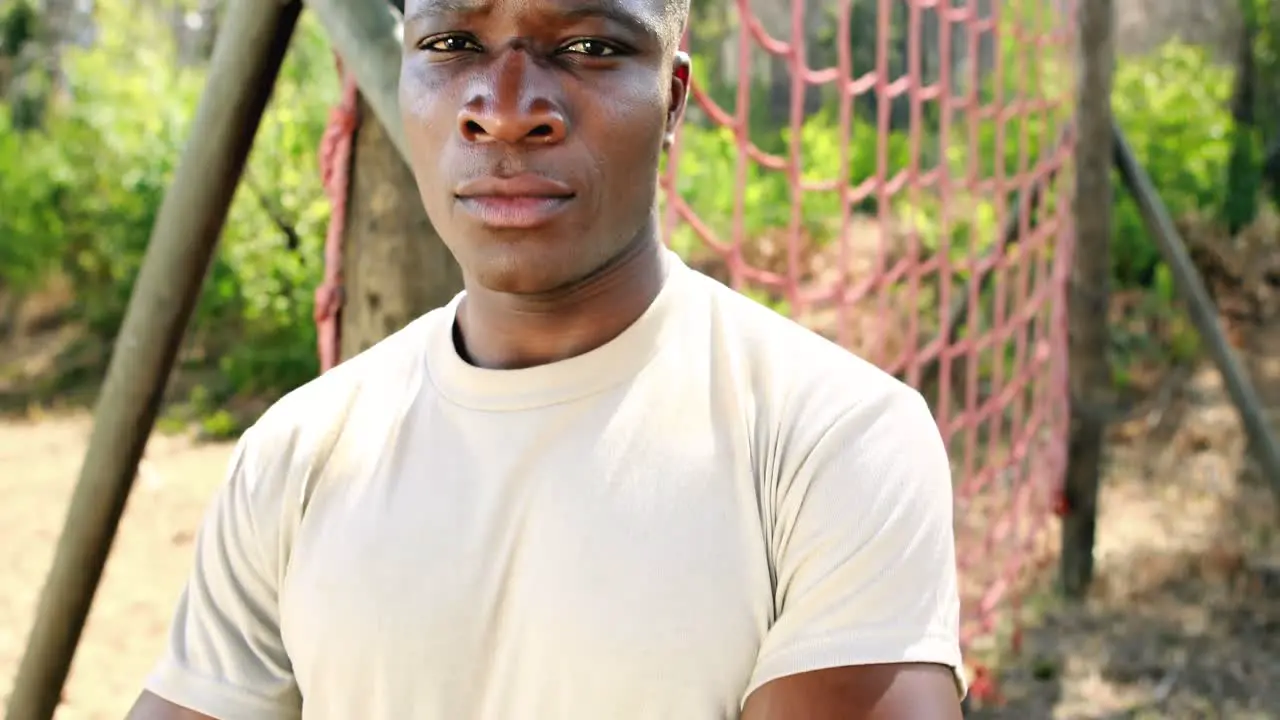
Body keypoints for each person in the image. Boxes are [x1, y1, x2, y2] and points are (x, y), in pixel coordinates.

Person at [128, 0, 965, 717]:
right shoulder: (297, 451)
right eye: (453, 44)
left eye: (590, 46)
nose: (507, 108)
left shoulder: (834, 439)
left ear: (673, 102)